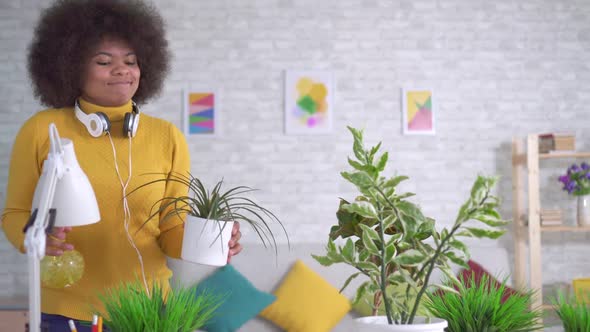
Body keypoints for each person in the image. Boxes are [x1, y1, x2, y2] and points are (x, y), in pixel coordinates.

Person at [1, 0, 242, 331]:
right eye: (104, 61)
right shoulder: (44, 130)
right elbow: (14, 214)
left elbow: (170, 229)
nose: (123, 70)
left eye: (132, 61)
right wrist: (36, 236)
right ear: (70, 67)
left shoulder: (167, 136)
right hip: (69, 314)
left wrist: (211, 243)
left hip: (151, 311)